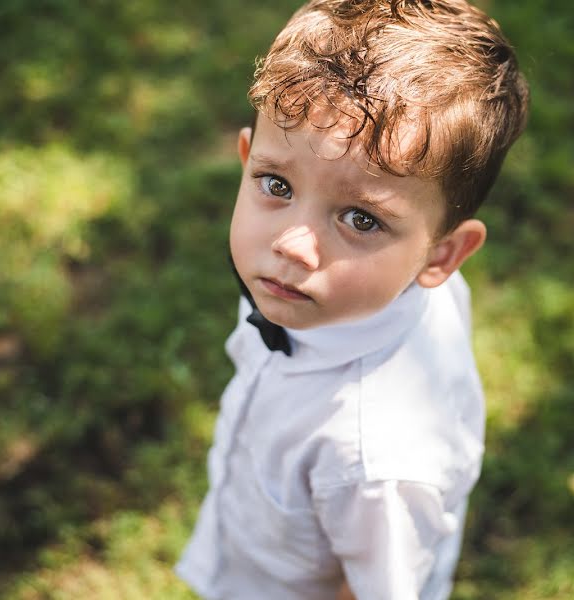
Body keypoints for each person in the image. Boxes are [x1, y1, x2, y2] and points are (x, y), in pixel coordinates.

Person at [176, 1, 528, 598]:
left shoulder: (374, 459)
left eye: (361, 220)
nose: (293, 245)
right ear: (245, 161)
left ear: (441, 256)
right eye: (277, 186)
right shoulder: (314, 293)